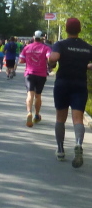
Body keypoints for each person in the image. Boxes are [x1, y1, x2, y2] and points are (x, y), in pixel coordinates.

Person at [48, 17, 92, 167]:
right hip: (80, 85)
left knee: (60, 118)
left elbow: (54, 58)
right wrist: (86, 66)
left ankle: (60, 150)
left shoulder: (60, 44)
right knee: (78, 118)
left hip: (63, 84)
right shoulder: (87, 47)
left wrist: (51, 62)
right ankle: (78, 143)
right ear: (79, 30)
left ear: (66, 29)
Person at [19, 31, 51, 128]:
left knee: (30, 94)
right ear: (42, 38)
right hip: (41, 74)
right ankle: (37, 114)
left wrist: (29, 60)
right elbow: (50, 59)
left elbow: (21, 60)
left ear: (33, 37)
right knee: (38, 95)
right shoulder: (46, 48)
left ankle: (29, 112)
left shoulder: (27, 47)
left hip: (29, 74)